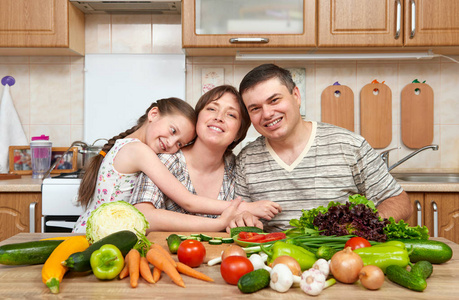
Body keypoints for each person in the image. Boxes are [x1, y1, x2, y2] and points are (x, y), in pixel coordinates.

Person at [233, 64, 412, 232]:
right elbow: (242, 213)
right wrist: (244, 219)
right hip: (275, 260)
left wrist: (361, 228)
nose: (267, 114)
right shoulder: (246, 159)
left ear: (296, 96)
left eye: (274, 100)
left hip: (343, 257)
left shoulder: (349, 145)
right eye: (255, 108)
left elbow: (399, 202)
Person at [73, 95, 279, 233]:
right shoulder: (141, 152)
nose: (171, 145)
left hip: (103, 233)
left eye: (180, 142)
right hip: (94, 236)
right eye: (173, 131)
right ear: (153, 114)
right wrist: (240, 211)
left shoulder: (134, 148)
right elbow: (188, 200)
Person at [130, 85, 281, 232]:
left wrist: (245, 218)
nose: (219, 117)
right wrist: (218, 224)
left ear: (238, 133)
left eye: (231, 115)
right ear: (197, 118)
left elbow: (241, 214)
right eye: (211, 109)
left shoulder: (238, 168)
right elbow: (142, 216)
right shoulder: (166, 160)